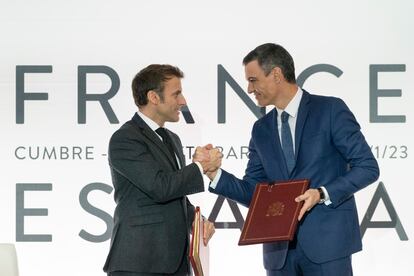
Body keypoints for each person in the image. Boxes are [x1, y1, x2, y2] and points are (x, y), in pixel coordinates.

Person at [204, 43, 380, 275]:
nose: (249, 88)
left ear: (276, 74)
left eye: (253, 80)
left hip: (328, 248)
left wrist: (322, 193)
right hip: (279, 255)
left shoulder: (329, 110)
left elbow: (367, 167)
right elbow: (255, 193)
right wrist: (216, 174)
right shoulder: (261, 129)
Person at [103, 64, 221, 276]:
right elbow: (159, 187)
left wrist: (197, 221)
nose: (183, 101)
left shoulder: (172, 139)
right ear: (153, 97)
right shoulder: (125, 139)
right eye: (176, 94)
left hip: (175, 264)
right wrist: (201, 166)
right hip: (139, 264)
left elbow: (175, 195)